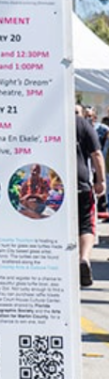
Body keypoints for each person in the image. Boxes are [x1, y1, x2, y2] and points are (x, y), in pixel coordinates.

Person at [76, 105, 105, 287]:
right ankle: (84, 258)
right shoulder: (84, 125)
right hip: (80, 181)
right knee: (86, 224)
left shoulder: (49, 120)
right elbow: (97, 154)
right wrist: (101, 181)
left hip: (53, 182)